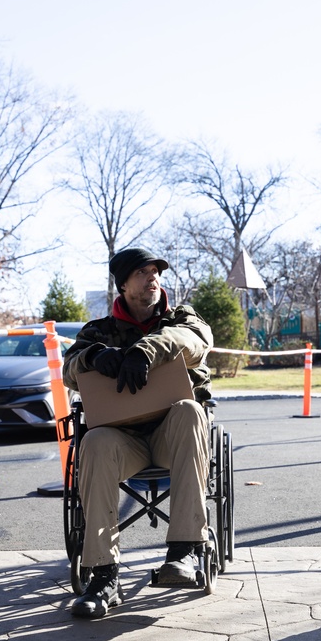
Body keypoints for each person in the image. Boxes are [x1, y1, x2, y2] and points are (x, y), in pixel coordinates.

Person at [62, 247, 214, 619]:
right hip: (123, 438)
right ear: (123, 283)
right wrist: (94, 356)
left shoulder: (181, 317)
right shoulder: (97, 330)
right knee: (93, 441)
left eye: (155, 271)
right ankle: (103, 575)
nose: (153, 278)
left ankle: (184, 551)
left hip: (172, 436)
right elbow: (69, 371)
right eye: (142, 273)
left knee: (190, 411)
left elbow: (196, 342)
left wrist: (145, 350)